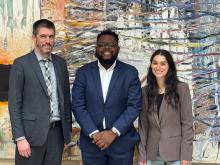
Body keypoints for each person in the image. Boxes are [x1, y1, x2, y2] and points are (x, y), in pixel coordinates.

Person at [71, 29, 142, 165]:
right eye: (102, 44)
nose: (107, 48)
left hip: (121, 145)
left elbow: (134, 106)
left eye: (111, 45)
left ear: (118, 49)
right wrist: (94, 133)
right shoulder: (83, 73)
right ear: (96, 48)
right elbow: (78, 106)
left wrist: (114, 132)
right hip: (92, 144)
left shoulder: (130, 73)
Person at [8, 19, 72, 165]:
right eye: (43, 36)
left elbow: (66, 100)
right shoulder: (21, 64)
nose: (47, 41)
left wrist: (66, 133)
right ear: (34, 37)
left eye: (51, 36)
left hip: (56, 135)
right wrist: (20, 138)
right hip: (30, 137)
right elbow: (14, 104)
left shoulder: (60, 64)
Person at [138, 49, 193, 165]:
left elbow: (187, 123)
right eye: (155, 63)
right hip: (152, 153)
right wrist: (142, 155)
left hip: (176, 153)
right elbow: (143, 126)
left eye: (163, 63)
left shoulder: (182, 89)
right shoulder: (144, 91)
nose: (158, 67)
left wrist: (186, 154)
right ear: (151, 65)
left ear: (169, 66)